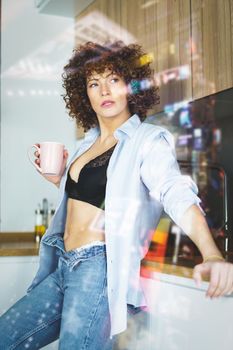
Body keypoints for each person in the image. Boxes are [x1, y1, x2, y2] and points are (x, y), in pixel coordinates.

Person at [0, 41, 233, 350]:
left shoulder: (147, 140)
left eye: (113, 79)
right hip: (63, 264)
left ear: (130, 85)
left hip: (98, 268)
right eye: (94, 83)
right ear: (85, 94)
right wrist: (59, 180)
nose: (104, 90)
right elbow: (94, 199)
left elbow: (174, 191)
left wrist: (213, 253)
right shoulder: (86, 144)